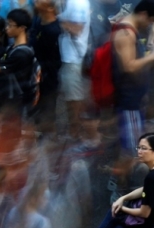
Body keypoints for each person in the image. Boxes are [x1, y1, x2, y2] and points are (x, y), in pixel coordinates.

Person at [110, 0, 154, 175]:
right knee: (134, 150)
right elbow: (128, 66)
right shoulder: (126, 33)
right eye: (151, 21)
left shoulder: (130, 30)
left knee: (132, 146)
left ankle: (122, 185)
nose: (150, 25)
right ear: (143, 14)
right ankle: (121, 188)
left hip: (133, 99)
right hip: (129, 100)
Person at [59, 0, 91, 139]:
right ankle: (75, 131)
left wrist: (59, 21)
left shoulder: (77, 3)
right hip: (72, 56)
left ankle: (75, 134)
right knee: (72, 97)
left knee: (75, 99)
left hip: (74, 58)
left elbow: (77, 28)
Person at [30, 0, 62, 135]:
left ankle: (50, 138)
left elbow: (56, 59)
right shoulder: (37, 22)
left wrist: (42, 72)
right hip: (34, 72)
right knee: (35, 109)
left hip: (48, 75)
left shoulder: (55, 30)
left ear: (50, 8)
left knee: (47, 107)